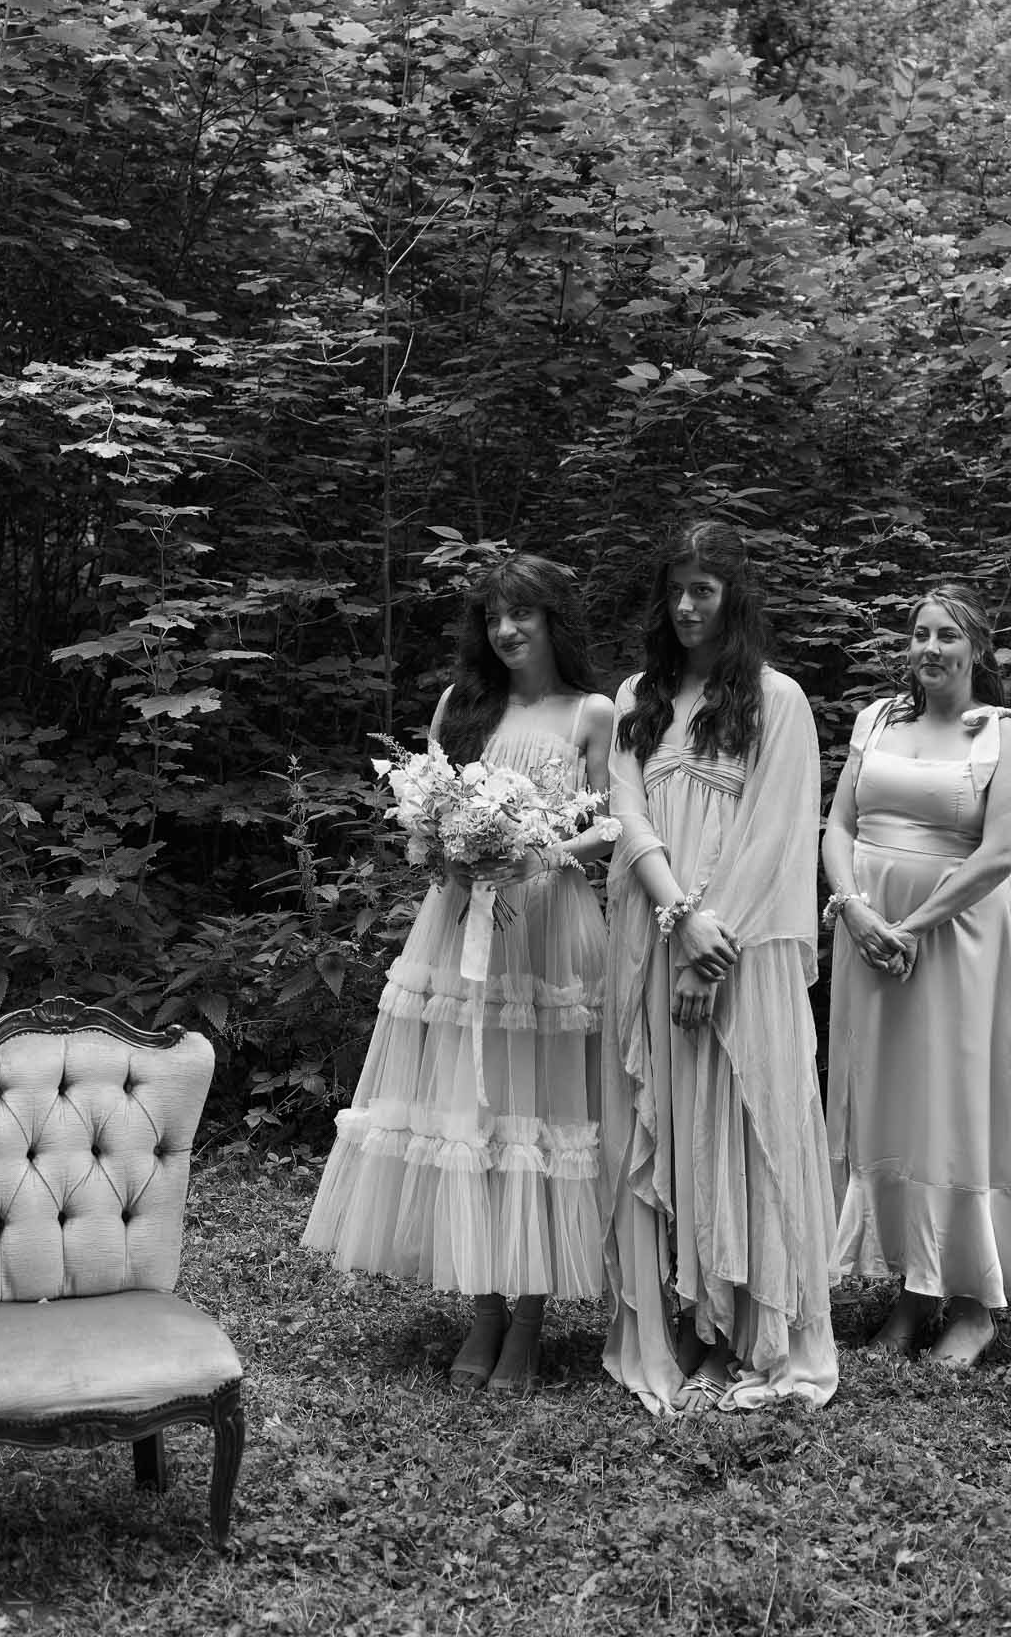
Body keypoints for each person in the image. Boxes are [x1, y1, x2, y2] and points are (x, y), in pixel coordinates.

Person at [301, 555, 616, 1394]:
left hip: (548, 928)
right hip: (458, 925)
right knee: (469, 1108)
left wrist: (533, 848)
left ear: (555, 619)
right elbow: (430, 816)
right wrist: (447, 847)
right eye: (493, 617)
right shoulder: (460, 706)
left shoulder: (591, 710)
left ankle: (530, 1321)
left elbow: (610, 825)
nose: (507, 631)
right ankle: (483, 1308)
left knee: (538, 1112)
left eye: (523, 615)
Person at [601, 520, 838, 1413]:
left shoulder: (778, 701)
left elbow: (778, 838)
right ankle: (691, 1325)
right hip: (654, 936)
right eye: (677, 590)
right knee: (671, 1122)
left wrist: (710, 948)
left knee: (742, 1124)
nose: (689, 605)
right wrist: (674, 918)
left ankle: (756, 1332)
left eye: (705, 589)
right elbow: (627, 811)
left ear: (734, 598)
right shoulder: (638, 695)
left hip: (740, 953)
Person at [824, 584, 1011, 1369]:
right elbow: (839, 825)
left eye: (946, 636)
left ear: (977, 649)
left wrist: (910, 927)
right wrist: (855, 911)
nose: (929, 648)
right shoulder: (874, 721)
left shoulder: (1004, 734)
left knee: (955, 1102)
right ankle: (912, 1290)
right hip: (870, 935)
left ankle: (973, 1302)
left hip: (953, 937)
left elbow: (998, 855)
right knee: (891, 1102)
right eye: (919, 633)